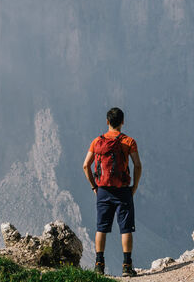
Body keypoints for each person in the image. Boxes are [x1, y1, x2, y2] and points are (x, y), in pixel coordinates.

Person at [82, 107, 142, 277]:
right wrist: (134, 187)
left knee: (101, 227)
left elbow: (86, 165)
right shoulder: (129, 142)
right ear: (123, 122)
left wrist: (95, 187)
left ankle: (99, 265)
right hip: (123, 190)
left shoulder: (96, 141)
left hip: (103, 191)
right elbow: (137, 165)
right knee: (126, 229)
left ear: (107, 122)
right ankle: (126, 266)